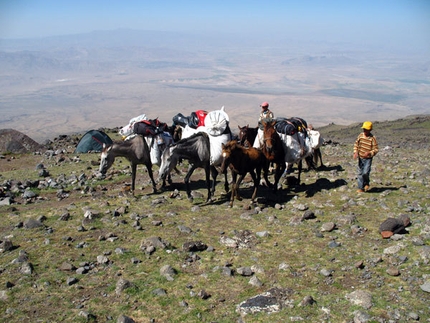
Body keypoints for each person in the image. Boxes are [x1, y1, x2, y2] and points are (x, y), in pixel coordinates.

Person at [353, 121, 379, 193]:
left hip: (368, 159)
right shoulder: (360, 136)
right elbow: (356, 144)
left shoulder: (372, 138)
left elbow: (376, 149)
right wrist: (355, 152)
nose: (364, 131)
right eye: (364, 129)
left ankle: (366, 183)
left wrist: (370, 153)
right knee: (360, 173)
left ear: (370, 130)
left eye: (366, 130)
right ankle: (360, 188)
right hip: (360, 158)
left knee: (365, 172)